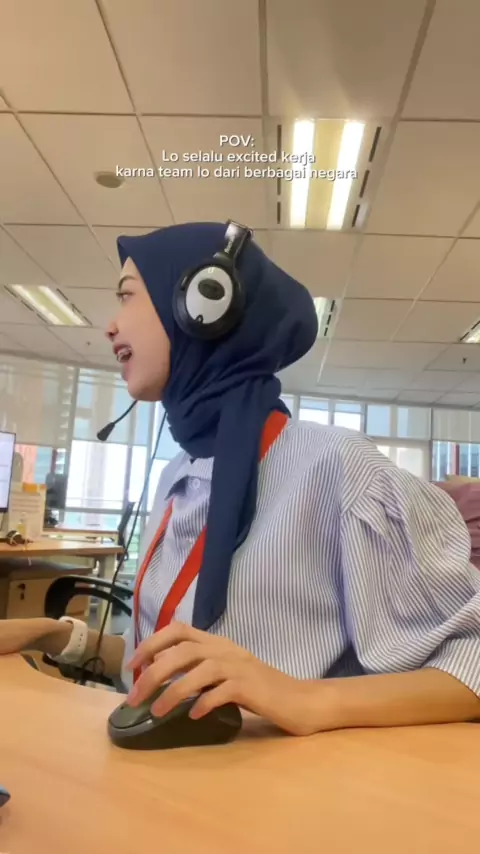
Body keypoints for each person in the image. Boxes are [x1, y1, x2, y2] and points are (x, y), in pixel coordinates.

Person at [2, 220, 480, 737]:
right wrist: (54, 636)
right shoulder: (176, 475)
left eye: (127, 296)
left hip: (288, 784)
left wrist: (305, 698)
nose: (110, 326)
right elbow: (169, 672)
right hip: (165, 772)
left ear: (202, 305)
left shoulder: (339, 467)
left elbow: (471, 657)